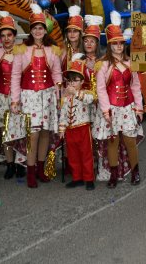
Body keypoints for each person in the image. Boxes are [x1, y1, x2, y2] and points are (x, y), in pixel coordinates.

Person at [10, 3, 62, 188]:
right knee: (33, 135)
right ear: (30, 30)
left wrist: (59, 95)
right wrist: (15, 100)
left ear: (45, 30)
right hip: (29, 96)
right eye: (35, 28)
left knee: (45, 133)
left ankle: (41, 169)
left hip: (48, 95)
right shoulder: (21, 50)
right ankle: (30, 171)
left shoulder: (52, 50)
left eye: (41, 28)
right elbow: (15, 76)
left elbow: (56, 74)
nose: (38, 31)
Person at [94, 12, 143, 188]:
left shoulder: (131, 63)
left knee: (130, 141)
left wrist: (139, 108)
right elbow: (101, 89)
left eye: (121, 43)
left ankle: (135, 171)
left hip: (128, 107)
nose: (118, 46)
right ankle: (114, 174)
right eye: (115, 43)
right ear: (109, 45)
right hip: (112, 109)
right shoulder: (103, 65)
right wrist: (106, 111)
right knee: (113, 141)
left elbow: (136, 86)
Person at [0, 11, 24, 179]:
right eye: (3, 35)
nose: (6, 38)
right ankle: (9, 164)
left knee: (21, 130)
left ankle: (20, 162)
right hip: (0, 97)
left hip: (19, 97)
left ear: (14, 36)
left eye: (9, 35)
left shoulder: (22, 51)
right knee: (5, 131)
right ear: (0, 37)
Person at [59, 55, 95, 190]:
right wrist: (62, 129)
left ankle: (89, 179)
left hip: (83, 128)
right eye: (69, 80)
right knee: (73, 155)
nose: (72, 83)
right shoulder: (65, 97)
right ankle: (77, 178)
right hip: (70, 130)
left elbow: (89, 100)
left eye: (75, 80)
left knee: (86, 154)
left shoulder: (86, 93)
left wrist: (76, 93)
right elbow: (63, 114)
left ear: (82, 81)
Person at [62, 5, 84, 71]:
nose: (72, 34)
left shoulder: (86, 49)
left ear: (80, 33)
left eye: (75, 31)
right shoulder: (62, 50)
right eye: (69, 31)